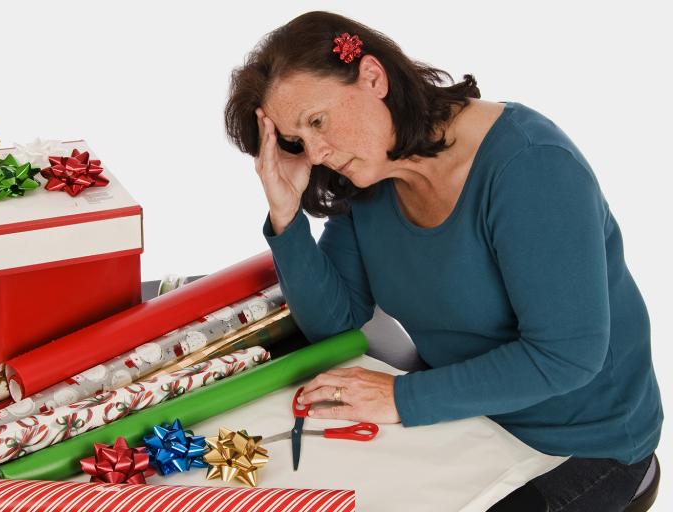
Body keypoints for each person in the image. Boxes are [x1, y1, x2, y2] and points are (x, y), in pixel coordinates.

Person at [224, 11, 662, 511]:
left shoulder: (531, 165)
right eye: (298, 140)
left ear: (372, 77)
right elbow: (337, 322)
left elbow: (567, 356)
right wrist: (286, 216)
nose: (317, 153)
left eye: (318, 122)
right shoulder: (370, 179)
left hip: (579, 445)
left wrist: (401, 398)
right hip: (467, 420)